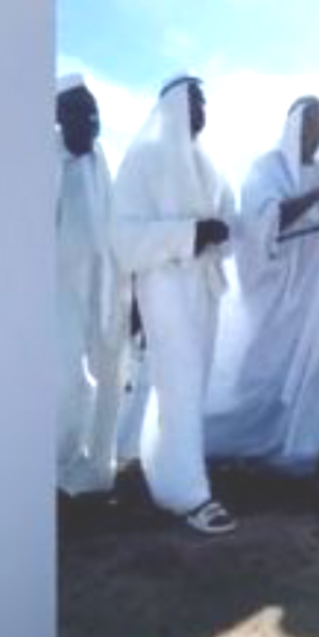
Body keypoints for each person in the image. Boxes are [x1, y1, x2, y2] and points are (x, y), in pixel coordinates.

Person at [204, 96, 319, 498]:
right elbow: (262, 225)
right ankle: (242, 444)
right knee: (266, 376)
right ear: (295, 125)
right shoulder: (268, 169)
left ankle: (316, 455)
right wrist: (318, 197)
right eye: (312, 122)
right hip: (280, 296)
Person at [109, 74, 238, 534]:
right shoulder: (142, 159)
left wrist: (220, 231)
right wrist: (189, 234)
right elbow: (124, 238)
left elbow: (229, 218)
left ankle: (171, 471)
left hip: (203, 287)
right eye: (195, 101)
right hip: (164, 287)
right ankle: (189, 494)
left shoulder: (210, 162)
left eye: (204, 102)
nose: (203, 110)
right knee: (178, 382)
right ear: (174, 106)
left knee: (191, 386)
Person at [54, 74, 127, 496]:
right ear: (60, 117)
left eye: (95, 113)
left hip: (104, 291)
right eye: (82, 113)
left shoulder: (100, 160)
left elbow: (114, 226)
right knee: (69, 383)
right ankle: (56, 469)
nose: (92, 122)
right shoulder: (47, 162)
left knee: (110, 380)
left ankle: (96, 473)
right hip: (58, 295)